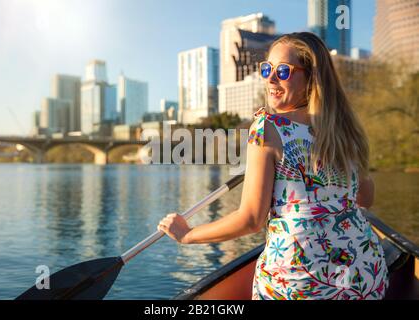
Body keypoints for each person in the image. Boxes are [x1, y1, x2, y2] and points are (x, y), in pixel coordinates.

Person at [157, 32, 389, 300]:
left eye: (283, 71)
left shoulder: (268, 127)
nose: (270, 78)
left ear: (311, 77)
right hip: (366, 275)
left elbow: (251, 220)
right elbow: (365, 198)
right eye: (266, 69)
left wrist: (188, 235)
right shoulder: (346, 129)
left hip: (299, 283)